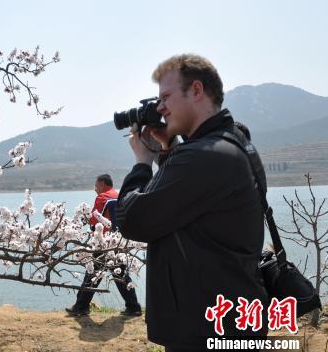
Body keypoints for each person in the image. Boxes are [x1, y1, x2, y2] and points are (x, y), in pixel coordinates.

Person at [116, 54, 268, 351]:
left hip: (206, 329)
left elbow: (131, 219)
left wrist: (142, 164)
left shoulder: (204, 155)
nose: (159, 108)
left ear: (196, 91)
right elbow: (184, 205)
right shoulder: (231, 142)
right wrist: (168, 148)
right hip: (227, 320)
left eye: (166, 97)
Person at [65, 174, 142, 317]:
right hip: (119, 242)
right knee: (121, 274)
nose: (95, 188)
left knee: (93, 273)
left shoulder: (102, 198)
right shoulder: (119, 196)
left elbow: (95, 222)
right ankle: (134, 307)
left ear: (101, 183)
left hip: (104, 243)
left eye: (96, 185)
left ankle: (81, 306)